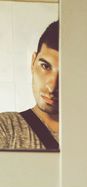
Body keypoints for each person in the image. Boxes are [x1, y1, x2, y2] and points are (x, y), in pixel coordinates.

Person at [0, 20, 59, 151]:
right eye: (45, 66)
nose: (52, 87)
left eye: (66, 72)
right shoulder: (6, 128)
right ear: (33, 62)